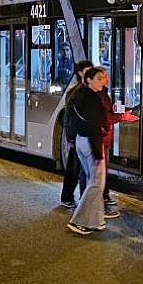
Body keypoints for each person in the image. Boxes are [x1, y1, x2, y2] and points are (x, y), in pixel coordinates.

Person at [68, 68, 111, 234]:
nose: (103, 81)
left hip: (81, 141)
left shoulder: (79, 96)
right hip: (91, 143)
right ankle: (80, 221)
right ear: (89, 80)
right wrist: (99, 153)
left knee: (95, 183)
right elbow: (94, 127)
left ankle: (97, 220)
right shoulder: (92, 99)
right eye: (99, 78)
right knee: (96, 184)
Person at [59, 60, 94, 209]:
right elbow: (68, 116)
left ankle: (84, 198)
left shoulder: (91, 89)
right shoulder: (74, 91)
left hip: (86, 136)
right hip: (76, 135)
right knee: (73, 168)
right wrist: (69, 136)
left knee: (85, 170)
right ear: (80, 73)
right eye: (87, 71)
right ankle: (67, 197)